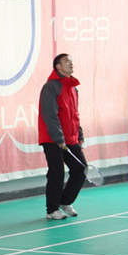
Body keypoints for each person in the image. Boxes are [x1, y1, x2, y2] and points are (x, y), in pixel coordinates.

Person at [38, 53, 86, 220]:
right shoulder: (50, 87)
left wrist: (79, 133)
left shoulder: (73, 88)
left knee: (80, 170)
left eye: (71, 61)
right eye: (66, 61)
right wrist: (58, 138)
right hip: (52, 139)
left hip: (71, 138)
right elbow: (49, 114)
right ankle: (52, 210)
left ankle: (65, 201)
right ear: (58, 66)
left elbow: (74, 114)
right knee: (56, 173)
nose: (71, 63)